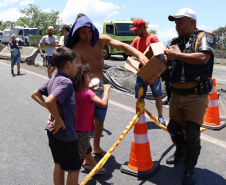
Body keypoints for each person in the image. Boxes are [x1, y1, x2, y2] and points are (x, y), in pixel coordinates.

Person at [66, 14, 149, 157]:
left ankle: (96, 147)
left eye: (89, 31)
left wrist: (139, 54)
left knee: (100, 121)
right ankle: (86, 157)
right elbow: (78, 74)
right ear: (77, 32)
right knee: (84, 126)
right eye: (83, 32)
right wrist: (88, 87)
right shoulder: (76, 49)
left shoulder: (100, 39)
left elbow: (121, 45)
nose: (87, 35)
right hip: (85, 91)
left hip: (99, 87)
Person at [163, 8, 216, 185]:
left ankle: (189, 168)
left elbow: (203, 58)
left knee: (192, 133)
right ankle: (180, 149)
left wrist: (176, 55)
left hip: (195, 94)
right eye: (175, 23)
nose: (176, 26)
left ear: (192, 22)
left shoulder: (204, 37)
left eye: (180, 22)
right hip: (176, 95)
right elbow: (168, 65)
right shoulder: (175, 42)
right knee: (173, 128)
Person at [31, 47, 81, 185]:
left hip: (53, 132)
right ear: (68, 64)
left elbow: (35, 94)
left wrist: (53, 113)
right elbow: (49, 100)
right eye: (75, 62)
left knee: (59, 164)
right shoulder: (67, 82)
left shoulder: (54, 78)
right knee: (74, 169)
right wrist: (58, 119)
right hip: (66, 133)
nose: (77, 65)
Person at [73, 64, 111, 174]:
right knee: (77, 161)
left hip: (76, 127)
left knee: (87, 149)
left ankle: (96, 168)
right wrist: (106, 90)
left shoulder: (75, 91)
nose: (90, 80)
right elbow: (103, 103)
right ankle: (74, 176)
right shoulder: (88, 93)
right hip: (82, 130)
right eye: (89, 78)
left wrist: (91, 90)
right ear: (82, 78)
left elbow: (85, 97)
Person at [129, 19, 166, 125]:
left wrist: (156, 73)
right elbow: (130, 49)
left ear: (142, 28)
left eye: (136, 30)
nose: (134, 32)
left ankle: (161, 117)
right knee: (140, 96)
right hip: (141, 73)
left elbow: (159, 54)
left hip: (153, 74)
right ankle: (140, 116)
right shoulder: (137, 40)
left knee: (157, 96)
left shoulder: (152, 38)